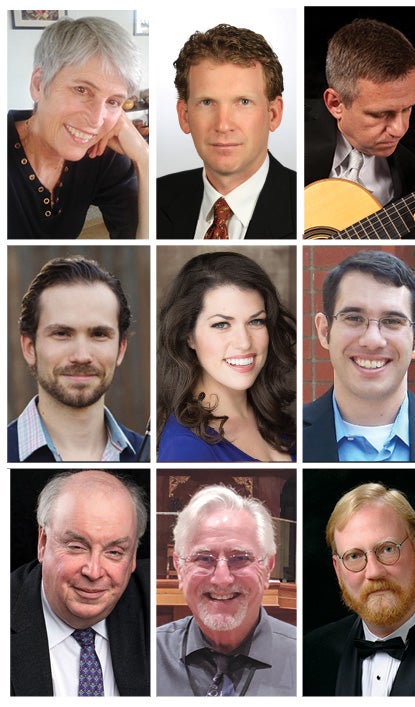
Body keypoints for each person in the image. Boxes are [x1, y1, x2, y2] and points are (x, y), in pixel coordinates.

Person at [8, 16, 149, 239]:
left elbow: (139, 244)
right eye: (82, 90)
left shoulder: (103, 155)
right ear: (38, 84)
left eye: (113, 101)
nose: (96, 120)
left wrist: (145, 158)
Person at [11, 469, 150, 696]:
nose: (94, 572)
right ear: (43, 543)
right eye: (76, 547)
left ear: (133, 556)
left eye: (114, 552)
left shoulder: (152, 596)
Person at [304, 18, 415, 239]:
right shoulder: (284, 136)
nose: (399, 129)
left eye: (407, 109)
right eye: (380, 114)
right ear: (335, 104)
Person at [157, 24, 296, 239]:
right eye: (206, 102)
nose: (223, 125)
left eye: (243, 102)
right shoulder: (157, 196)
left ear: (273, 114)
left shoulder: (307, 203)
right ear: (184, 115)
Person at [157, 484, 296, 696]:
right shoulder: (149, 654)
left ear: (268, 567)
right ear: (179, 568)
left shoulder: (304, 656)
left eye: (240, 558)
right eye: (204, 558)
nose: (222, 579)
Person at [304, 482, 415, 696]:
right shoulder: (310, 654)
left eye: (387, 549)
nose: (374, 572)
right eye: (355, 556)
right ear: (338, 572)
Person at [157, 251, 295, 461]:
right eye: (221, 324)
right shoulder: (186, 449)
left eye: (256, 321)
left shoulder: (271, 414)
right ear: (188, 336)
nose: (244, 342)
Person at [303, 250, 415, 462]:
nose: (373, 340)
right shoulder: (287, 438)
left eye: (392, 321)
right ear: (324, 331)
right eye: (354, 318)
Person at [7, 255, 147, 462]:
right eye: (62, 334)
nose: (81, 356)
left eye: (99, 334)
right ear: (29, 348)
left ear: (121, 349)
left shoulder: (155, 456)